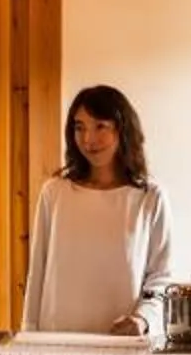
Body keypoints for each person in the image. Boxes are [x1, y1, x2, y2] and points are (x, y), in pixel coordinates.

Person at [19, 85, 175, 337]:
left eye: (100, 126)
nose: (88, 139)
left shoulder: (150, 197)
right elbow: (37, 271)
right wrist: (28, 334)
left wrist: (143, 319)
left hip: (122, 346)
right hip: (56, 343)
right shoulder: (54, 192)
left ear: (123, 129)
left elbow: (161, 277)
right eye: (79, 127)